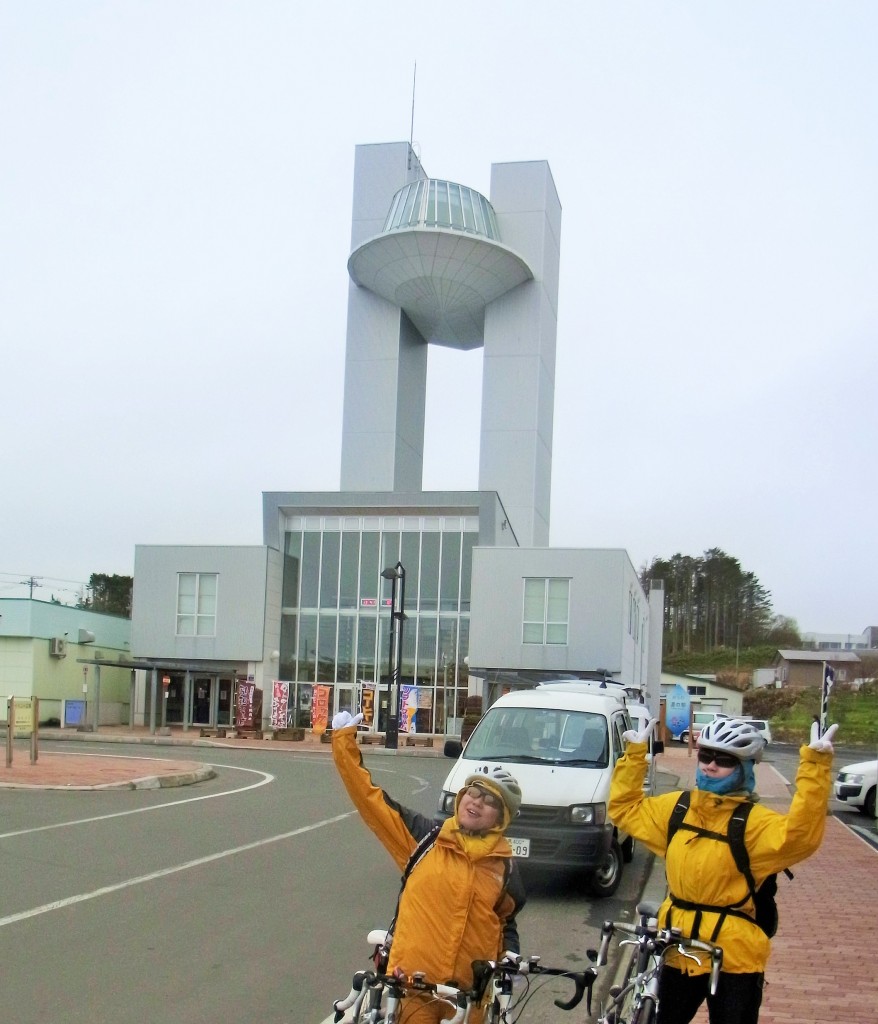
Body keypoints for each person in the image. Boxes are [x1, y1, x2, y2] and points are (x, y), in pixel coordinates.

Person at [609, 715, 838, 1024]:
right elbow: (625, 810)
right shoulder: (678, 809)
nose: (710, 765)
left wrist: (815, 766)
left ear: (743, 768)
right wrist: (635, 755)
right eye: (705, 755)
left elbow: (802, 835)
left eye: (724, 759)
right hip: (678, 947)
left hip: (734, 958)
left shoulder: (755, 823)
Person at [330, 709, 526, 1024]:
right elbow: (371, 801)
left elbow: (505, 922)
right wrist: (344, 744)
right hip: (411, 990)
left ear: (502, 818)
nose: (475, 802)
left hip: (468, 999)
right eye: (471, 793)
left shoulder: (505, 871)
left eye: (488, 801)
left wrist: (511, 958)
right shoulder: (423, 839)